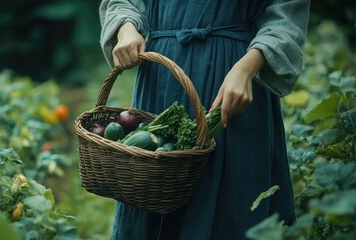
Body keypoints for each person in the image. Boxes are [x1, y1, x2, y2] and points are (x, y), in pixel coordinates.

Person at [99, 0, 310, 239]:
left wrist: (246, 69)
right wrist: (127, 27)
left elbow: (285, 13)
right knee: (153, 193)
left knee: (234, 208)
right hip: (162, 81)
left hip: (234, 88)